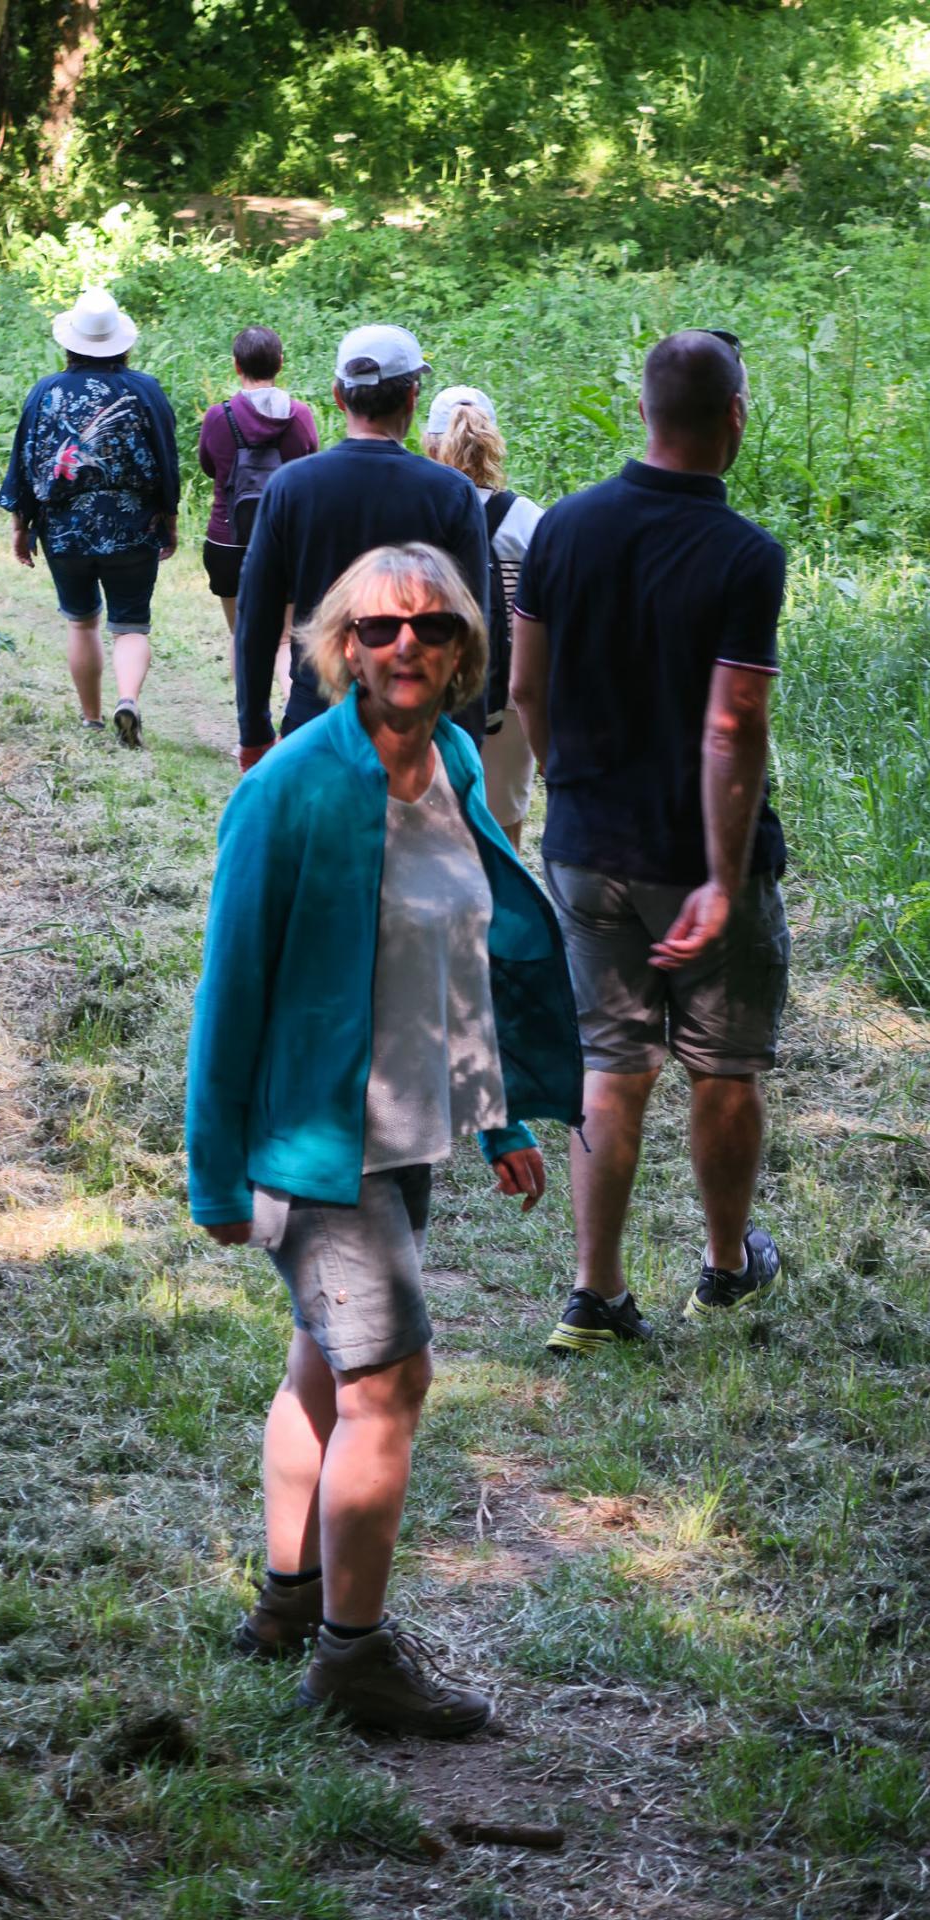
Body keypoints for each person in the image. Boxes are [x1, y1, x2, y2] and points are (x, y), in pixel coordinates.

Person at [187, 543, 583, 1735]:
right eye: (375, 628)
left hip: (402, 1131)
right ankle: (353, 1663)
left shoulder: (456, 760)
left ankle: (288, 1605)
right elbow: (230, 990)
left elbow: (464, 959)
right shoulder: (290, 791)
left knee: (322, 1364)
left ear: (464, 647)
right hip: (312, 1145)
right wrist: (214, 1171)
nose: (402, 646)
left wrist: (497, 1110)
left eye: (428, 627)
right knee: (389, 1378)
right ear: (340, 647)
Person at [510, 328, 789, 1355]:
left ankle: (595, 1295)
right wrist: (721, 876)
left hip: (585, 845)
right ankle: (723, 1269)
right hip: (697, 859)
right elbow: (734, 725)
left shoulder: (563, 529)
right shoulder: (745, 555)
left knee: (610, 1061)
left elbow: (525, 689)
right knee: (721, 1063)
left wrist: (569, 789)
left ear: (642, 410)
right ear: (733, 416)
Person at [233, 325, 491, 770]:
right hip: (418, 732)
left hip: (316, 721)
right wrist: (466, 744)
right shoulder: (452, 492)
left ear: (338, 396)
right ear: (412, 397)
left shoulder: (291, 487)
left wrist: (254, 730)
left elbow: (256, 617)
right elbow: (473, 630)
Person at [0, 288, 179, 749]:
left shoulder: (45, 392)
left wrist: (21, 527)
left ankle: (92, 720)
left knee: (82, 622)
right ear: (122, 343)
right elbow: (166, 460)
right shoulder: (145, 390)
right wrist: (170, 519)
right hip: (132, 528)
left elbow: (25, 461)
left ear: (70, 343)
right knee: (131, 625)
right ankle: (128, 700)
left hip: (64, 531)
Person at [423, 385, 543, 851]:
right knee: (503, 827)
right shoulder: (530, 519)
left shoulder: (421, 510)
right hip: (510, 694)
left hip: (434, 686)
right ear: (494, 441)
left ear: (431, 444)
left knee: (436, 822)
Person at [198, 326, 318, 698]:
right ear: (280, 364)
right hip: (285, 543)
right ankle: (291, 724)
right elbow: (310, 467)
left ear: (236, 366)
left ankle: (248, 733)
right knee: (283, 641)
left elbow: (208, 467)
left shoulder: (218, 417)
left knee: (242, 635)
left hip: (226, 540)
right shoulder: (300, 416)